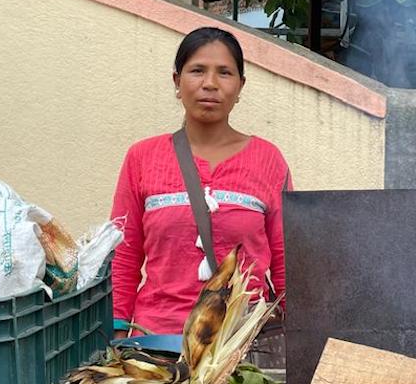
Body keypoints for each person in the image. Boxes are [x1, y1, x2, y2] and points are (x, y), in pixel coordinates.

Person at [110, 27, 292, 338]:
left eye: (224, 72)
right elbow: (124, 257)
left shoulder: (268, 160)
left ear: (240, 85)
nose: (210, 83)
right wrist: (117, 335)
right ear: (177, 81)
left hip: (243, 347)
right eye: (197, 71)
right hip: (157, 345)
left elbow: (288, 261)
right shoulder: (142, 158)